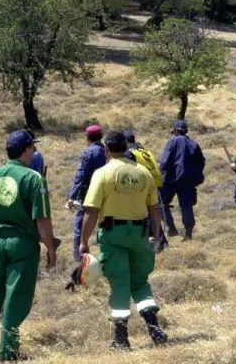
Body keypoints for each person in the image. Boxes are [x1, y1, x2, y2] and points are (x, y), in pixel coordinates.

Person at [79, 130, 168, 349]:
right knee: (140, 282)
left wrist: (83, 241)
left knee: (120, 284)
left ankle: (121, 339)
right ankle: (155, 330)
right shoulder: (143, 173)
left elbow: (91, 211)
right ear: (126, 149)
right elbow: (155, 209)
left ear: (106, 150)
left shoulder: (102, 173)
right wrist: (156, 236)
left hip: (113, 235)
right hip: (140, 234)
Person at [0, 130, 56, 361]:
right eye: (33, 147)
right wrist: (50, 248)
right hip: (23, 244)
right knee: (15, 299)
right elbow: (42, 220)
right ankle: (7, 353)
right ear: (26, 150)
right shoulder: (33, 178)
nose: (35, 151)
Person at [157, 121, 206, 241]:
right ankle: (188, 234)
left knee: (160, 203)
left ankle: (172, 228)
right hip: (188, 181)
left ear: (175, 130)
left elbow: (164, 163)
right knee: (186, 206)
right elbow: (201, 161)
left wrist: (160, 174)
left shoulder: (172, 142)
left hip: (172, 180)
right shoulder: (194, 143)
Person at [66, 125, 106, 262]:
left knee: (80, 224)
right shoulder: (107, 151)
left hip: (89, 194)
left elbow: (80, 176)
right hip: (106, 193)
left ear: (87, 137)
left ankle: (79, 256)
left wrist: (72, 197)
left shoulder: (88, 153)